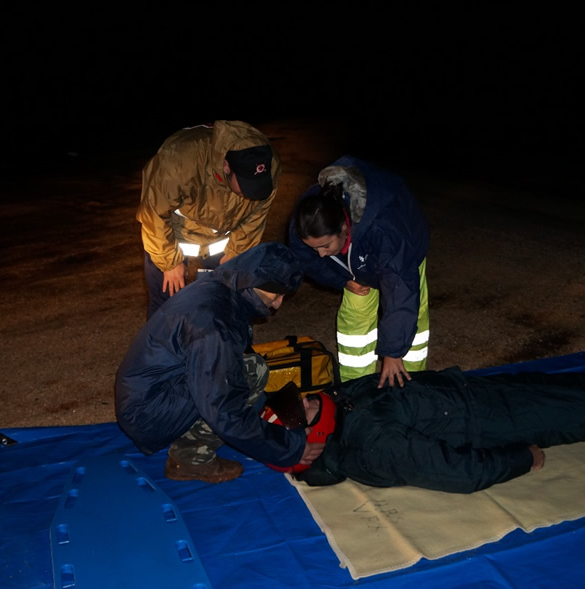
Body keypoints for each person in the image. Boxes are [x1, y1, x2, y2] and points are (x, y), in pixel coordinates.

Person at [262, 346, 585, 494]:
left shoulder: (339, 407)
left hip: (460, 392)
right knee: (562, 412)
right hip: (482, 422)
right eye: (304, 409)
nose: (308, 398)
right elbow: (457, 473)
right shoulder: (373, 447)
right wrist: (521, 458)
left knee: (540, 383)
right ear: (310, 443)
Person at [114, 242, 324, 483]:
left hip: (146, 396)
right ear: (254, 282)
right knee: (251, 373)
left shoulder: (222, 285)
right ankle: (189, 460)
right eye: (276, 294)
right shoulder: (216, 324)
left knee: (244, 370)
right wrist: (290, 448)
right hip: (147, 415)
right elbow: (225, 409)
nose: (278, 304)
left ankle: (187, 433)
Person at [289, 155, 430, 388]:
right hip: (358, 260)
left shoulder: (384, 230)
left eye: (325, 246)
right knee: (354, 319)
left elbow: (400, 291)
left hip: (403, 252)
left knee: (410, 311)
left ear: (344, 228)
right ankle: (355, 387)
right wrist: (341, 280)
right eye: (315, 248)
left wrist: (393, 353)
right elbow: (306, 259)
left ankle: (410, 383)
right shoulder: (306, 224)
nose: (321, 254)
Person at [137, 120, 281, 318]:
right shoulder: (178, 161)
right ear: (226, 167)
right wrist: (169, 263)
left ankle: (224, 335)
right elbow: (153, 214)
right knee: (166, 303)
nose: (250, 195)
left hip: (222, 237)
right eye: (245, 186)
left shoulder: (269, 166)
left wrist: (236, 252)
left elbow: (256, 216)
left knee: (230, 297)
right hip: (172, 235)